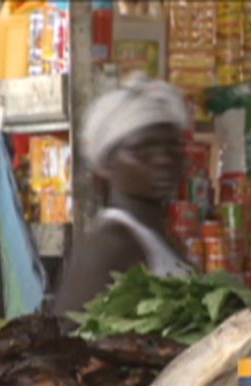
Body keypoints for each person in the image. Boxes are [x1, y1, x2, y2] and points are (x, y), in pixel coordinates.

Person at [52, 74, 191, 315]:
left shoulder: (158, 236)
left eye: (173, 147)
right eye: (143, 149)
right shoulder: (111, 244)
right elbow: (66, 336)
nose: (164, 159)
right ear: (106, 164)